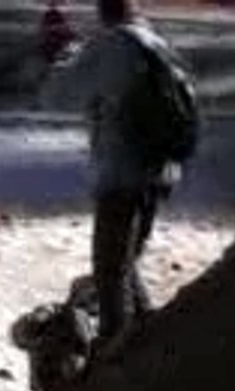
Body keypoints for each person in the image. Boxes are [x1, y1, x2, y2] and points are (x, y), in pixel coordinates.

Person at [40, 0, 193, 354]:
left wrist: (62, 53)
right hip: (161, 170)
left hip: (123, 172)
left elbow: (57, 95)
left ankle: (116, 358)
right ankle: (148, 338)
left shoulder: (112, 46)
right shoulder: (156, 43)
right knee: (124, 264)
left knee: (110, 273)